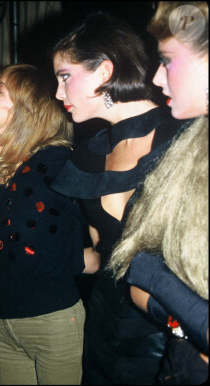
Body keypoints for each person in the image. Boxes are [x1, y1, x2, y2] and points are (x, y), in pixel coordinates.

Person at [50, 12, 187, 384]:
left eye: (65, 77)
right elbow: (102, 252)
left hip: (171, 334)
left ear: (105, 71)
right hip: (104, 329)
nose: (59, 92)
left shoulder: (184, 137)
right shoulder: (88, 156)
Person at [0, 63, 100, 385]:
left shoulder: (54, 162)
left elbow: (106, 240)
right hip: (4, 322)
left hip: (52, 322)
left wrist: (86, 259)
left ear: (27, 111)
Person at [109, 2, 208, 384]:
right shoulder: (193, 143)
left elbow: (143, 268)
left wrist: (157, 279)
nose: (158, 78)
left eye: (167, 61)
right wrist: (185, 321)